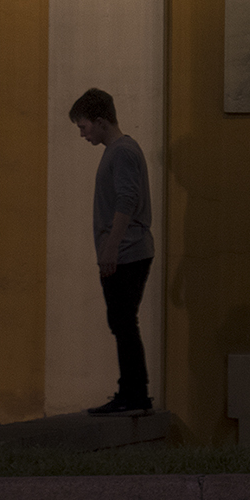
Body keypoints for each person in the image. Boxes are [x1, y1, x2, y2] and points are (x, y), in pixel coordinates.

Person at [69, 88, 155, 416]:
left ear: (102, 121)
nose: (82, 134)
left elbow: (127, 200)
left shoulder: (122, 152)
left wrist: (111, 248)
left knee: (123, 322)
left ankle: (133, 395)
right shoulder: (120, 151)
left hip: (127, 252)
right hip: (127, 251)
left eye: (84, 126)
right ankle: (132, 392)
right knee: (122, 322)